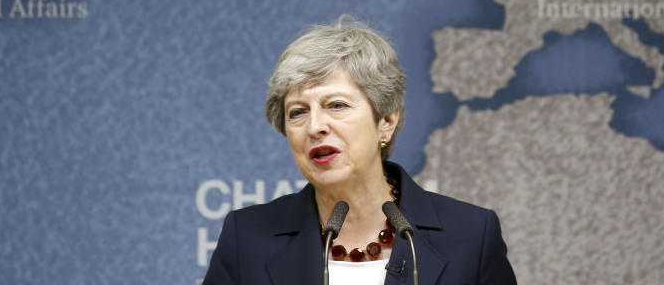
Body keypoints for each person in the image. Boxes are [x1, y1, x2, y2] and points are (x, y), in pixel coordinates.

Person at [203, 16, 517, 284]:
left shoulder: (471, 235)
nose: (315, 127)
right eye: (297, 112)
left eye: (336, 105)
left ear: (386, 121)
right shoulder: (246, 238)